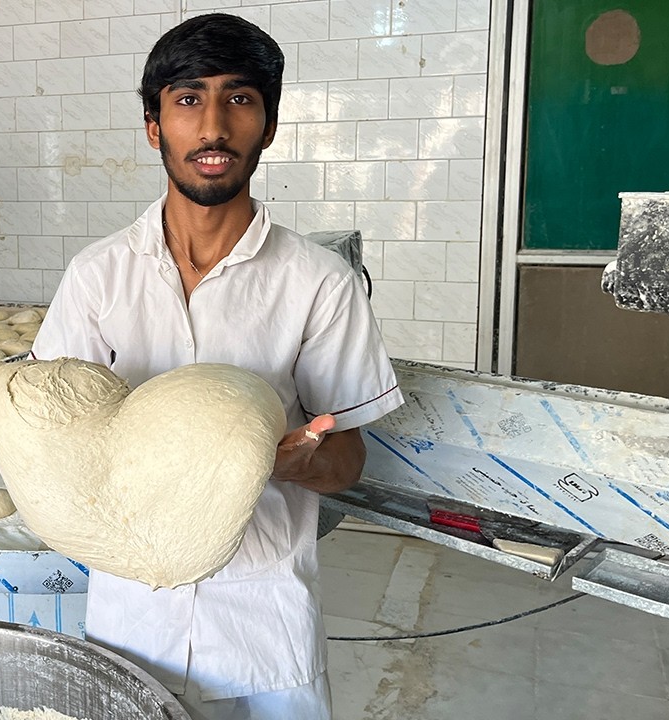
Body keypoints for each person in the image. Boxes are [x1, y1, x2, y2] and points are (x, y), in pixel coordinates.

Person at [31, 14, 403, 720]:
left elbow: (348, 460)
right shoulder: (97, 277)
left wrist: (296, 464)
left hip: (262, 625)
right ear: (153, 127)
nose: (213, 127)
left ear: (268, 126)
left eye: (238, 99)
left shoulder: (318, 283)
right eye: (187, 99)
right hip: (134, 616)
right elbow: (59, 431)